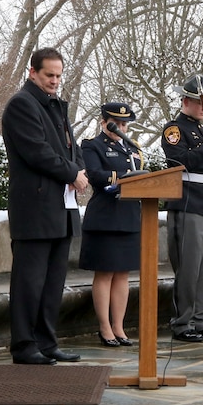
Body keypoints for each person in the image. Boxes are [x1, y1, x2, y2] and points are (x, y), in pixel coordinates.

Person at [1, 47, 87, 365]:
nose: (54, 81)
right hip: (34, 208)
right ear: (32, 72)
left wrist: (78, 169)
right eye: (49, 74)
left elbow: (71, 147)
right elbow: (36, 151)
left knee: (53, 282)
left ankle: (46, 342)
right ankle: (24, 345)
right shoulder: (22, 105)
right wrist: (71, 173)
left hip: (59, 207)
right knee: (30, 281)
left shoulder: (55, 106)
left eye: (58, 75)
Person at [161, 75, 203, 343]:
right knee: (188, 268)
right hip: (188, 202)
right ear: (186, 101)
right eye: (200, 103)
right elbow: (180, 161)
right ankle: (182, 322)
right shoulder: (174, 129)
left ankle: (201, 318)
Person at [79, 102, 143, 347]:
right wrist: (125, 179)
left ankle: (119, 326)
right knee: (105, 273)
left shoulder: (132, 148)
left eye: (125, 124)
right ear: (103, 121)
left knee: (123, 274)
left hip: (128, 215)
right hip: (105, 215)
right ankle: (105, 327)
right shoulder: (92, 145)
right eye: (116, 123)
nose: (121, 128)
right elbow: (95, 174)